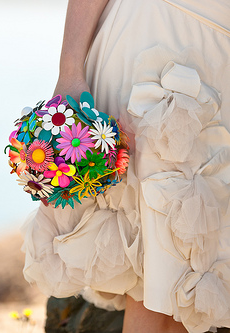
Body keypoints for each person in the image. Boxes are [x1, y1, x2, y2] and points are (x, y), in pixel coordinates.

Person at [21, 0, 230, 332]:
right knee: (158, 261)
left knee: (188, 268)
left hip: (220, 60)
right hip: (144, 40)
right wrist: (70, 70)